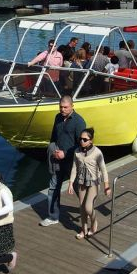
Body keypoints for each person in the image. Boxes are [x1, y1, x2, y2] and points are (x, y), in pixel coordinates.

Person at [40, 96, 86, 227]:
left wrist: (65, 153)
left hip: (72, 163)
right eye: (60, 107)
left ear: (72, 106)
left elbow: (82, 145)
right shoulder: (57, 117)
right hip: (57, 160)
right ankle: (53, 216)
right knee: (53, 187)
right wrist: (52, 149)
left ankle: (87, 214)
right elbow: (53, 137)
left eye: (65, 107)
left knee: (80, 190)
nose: (62, 109)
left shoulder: (79, 122)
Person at [67, 128, 110, 239]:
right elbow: (74, 168)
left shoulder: (97, 152)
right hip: (81, 182)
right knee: (82, 207)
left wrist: (106, 185)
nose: (82, 141)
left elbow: (104, 169)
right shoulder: (77, 152)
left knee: (88, 207)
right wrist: (71, 183)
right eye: (80, 139)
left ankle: (94, 223)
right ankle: (84, 229)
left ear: (91, 140)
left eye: (85, 139)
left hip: (94, 183)